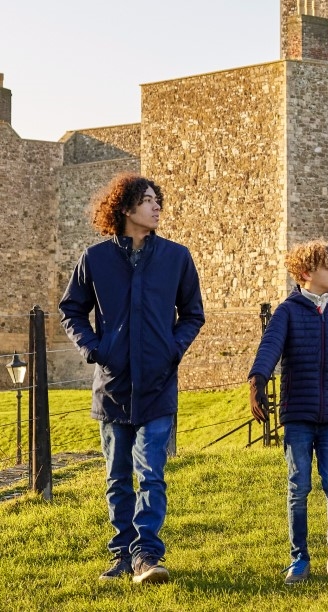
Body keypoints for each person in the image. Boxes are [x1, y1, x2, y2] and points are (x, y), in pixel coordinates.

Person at [59, 173, 205, 585]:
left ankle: (147, 555)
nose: (156, 206)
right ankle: (122, 555)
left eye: (158, 199)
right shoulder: (95, 259)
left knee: (152, 472)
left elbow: (193, 313)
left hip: (158, 385)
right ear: (125, 208)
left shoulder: (177, 257)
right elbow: (71, 309)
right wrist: (94, 349)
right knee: (118, 476)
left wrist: (172, 349)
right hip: (113, 386)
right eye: (147, 200)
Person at [247, 239, 328, 585]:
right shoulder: (287, 312)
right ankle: (299, 559)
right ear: (305, 273)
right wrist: (257, 380)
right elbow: (269, 347)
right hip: (297, 417)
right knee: (298, 487)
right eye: (327, 265)